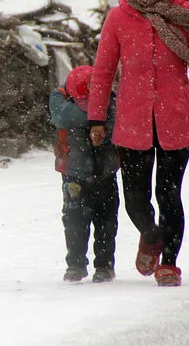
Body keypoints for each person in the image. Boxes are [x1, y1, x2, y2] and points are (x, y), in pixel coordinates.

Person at [87, 0, 189, 287]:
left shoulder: (184, 13)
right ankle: (150, 234)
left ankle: (170, 263)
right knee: (134, 197)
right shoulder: (119, 18)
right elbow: (103, 71)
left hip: (175, 122)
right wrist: (96, 118)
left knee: (168, 193)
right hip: (132, 122)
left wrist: (185, 97)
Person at [49, 65, 119, 283]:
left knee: (106, 221)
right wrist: (97, 114)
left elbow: (117, 120)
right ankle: (76, 264)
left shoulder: (112, 99)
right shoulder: (59, 99)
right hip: (73, 173)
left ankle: (104, 266)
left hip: (105, 170)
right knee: (74, 220)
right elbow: (66, 118)